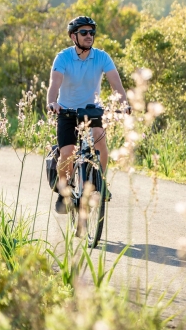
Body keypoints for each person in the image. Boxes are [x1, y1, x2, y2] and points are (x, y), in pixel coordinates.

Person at [46, 16, 130, 214]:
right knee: (68, 154)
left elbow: (116, 85)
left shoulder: (102, 57)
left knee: (101, 146)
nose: (89, 36)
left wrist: (124, 105)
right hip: (67, 111)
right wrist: (52, 102)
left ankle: (99, 182)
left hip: (92, 110)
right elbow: (54, 84)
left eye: (91, 32)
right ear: (73, 36)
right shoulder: (63, 57)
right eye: (84, 32)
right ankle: (64, 191)